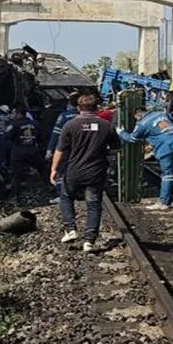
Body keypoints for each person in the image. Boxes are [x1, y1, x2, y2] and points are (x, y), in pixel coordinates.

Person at [50, 95, 120, 252]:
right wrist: (103, 152)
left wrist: (54, 169)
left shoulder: (70, 125)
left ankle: (70, 229)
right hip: (96, 172)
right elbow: (116, 149)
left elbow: (60, 150)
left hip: (74, 170)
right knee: (94, 205)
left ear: (78, 108)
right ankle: (89, 241)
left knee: (66, 197)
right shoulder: (106, 125)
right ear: (97, 108)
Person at [120, 106, 173, 210]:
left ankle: (164, 202)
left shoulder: (142, 124)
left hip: (166, 147)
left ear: (138, 114)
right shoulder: (161, 114)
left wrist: (121, 132)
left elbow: (132, 139)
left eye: (136, 118)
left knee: (167, 175)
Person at [7, 106, 47, 199]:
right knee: (43, 168)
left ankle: (13, 196)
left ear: (18, 113)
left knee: (16, 175)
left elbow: (6, 136)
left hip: (18, 152)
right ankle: (49, 186)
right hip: (32, 151)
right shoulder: (35, 123)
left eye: (14, 113)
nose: (13, 115)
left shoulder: (14, 124)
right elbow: (41, 137)